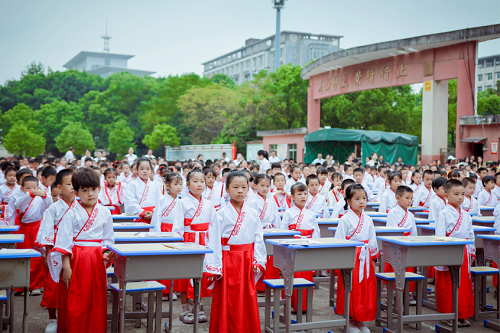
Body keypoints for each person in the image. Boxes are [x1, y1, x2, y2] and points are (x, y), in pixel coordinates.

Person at [48, 168, 114, 333]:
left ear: (99, 188)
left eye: (94, 189)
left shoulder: (105, 212)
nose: (90, 194)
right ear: (76, 192)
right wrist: (66, 267)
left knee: (95, 299)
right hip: (76, 259)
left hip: (96, 259)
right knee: (76, 300)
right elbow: (64, 241)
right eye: (85, 190)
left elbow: (107, 239)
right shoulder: (70, 213)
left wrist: (106, 253)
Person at [204, 170, 266, 333]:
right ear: (226, 189)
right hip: (228, 261)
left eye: (244, 187)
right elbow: (214, 242)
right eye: (235, 187)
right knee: (227, 299)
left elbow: (258, 238)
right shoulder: (220, 215)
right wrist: (215, 267)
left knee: (247, 297)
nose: (240, 190)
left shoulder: (252, 213)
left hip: (247, 260)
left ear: (248, 189)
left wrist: (258, 260)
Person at [335, 184, 378, 333]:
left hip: (364, 258)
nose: (361, 202)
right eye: (357, 198)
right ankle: (349, 320)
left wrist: (372, 259)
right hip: (351, 258)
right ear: (348, 201)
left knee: (364, 290)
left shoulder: (368, 219)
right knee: (351, 289)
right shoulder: (344, 219)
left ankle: (360, 320)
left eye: (364, 198)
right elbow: (339, 241)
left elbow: (372, 240)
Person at [36, 169, 75, 333]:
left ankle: (71, 318)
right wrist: (48, 252)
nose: (73, 187)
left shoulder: (82, 206)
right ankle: (53, 319)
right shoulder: (52, 209)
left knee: (72, 286)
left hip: (74, 250)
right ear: (59, 187)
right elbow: (47, 232)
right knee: (53, 286)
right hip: (55, 251)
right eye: (69, 183)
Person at [435, 179, 474, 327]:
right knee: (447, 284)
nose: (460, 197)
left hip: (463, 251)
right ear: (446, 195)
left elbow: (471, 235)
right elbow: (439, 235)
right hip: (449, 251)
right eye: (456, 194)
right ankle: (448, 314)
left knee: (463, 285)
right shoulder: (444, 213)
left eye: (462, 194)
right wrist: (444, 255)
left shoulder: (466, 215)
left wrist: (471, 253)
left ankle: (462, 313)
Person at [177, 169, 214, 324]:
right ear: (187, 184)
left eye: (202, 181)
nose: (199, 184)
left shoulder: (209, 203)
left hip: (204, 241)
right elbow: (178, 227)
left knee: (201, 274)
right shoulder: (182, 202)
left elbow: (212, 225)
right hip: (189, 240)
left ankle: (198, 306)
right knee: (186, 277)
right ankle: (185, 308)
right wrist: (180, 245)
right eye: (195, 181)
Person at [280, 182, 320, 312]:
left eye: (305, 193)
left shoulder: (311, 214)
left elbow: (316, 233)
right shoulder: (288, 213)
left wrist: (315, 246)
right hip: (292, 247)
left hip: (307, 246)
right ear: (292, 196)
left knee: (306, 275)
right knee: (293, 275)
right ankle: (291, 302)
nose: (303, 196)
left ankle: (304, 304)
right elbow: (283, 231)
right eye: (299, 194)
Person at [15, 175, 52, 295]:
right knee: (22, 258)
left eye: (34, 187)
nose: (32, 190)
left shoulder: (40, 199)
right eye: (28, 188)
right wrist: (30, 194)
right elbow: (18, 205)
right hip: (24, 231)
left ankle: (35, 286)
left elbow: (49, 204)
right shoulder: (21, 198)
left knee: (37, 259)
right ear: (22, 189)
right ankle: (21, 286)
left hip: (37, 230)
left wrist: (44, 195)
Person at [150, 172, 184, 301]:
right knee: (163, 260)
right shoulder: (162, 199)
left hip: (175, 232)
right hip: (163, 232)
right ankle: (163, 290)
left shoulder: (181, 201)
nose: (179, 187)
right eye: (176, 184)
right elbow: (156, 218)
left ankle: (171, 288)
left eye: (180, 184)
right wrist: (157, 235)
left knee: (173, 262)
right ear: (168, 186)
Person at [248, 174, 280, 295]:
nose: (265, 188)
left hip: (270, 231)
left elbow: (276, 218)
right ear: (255, 185)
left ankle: (270, 284)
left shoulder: (271, 201)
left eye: (267, 186)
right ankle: (259, 286)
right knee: (259, 256)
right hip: (258, 231)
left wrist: (277, 231)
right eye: (262, 185)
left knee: (271, 258)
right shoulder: (253, 202)